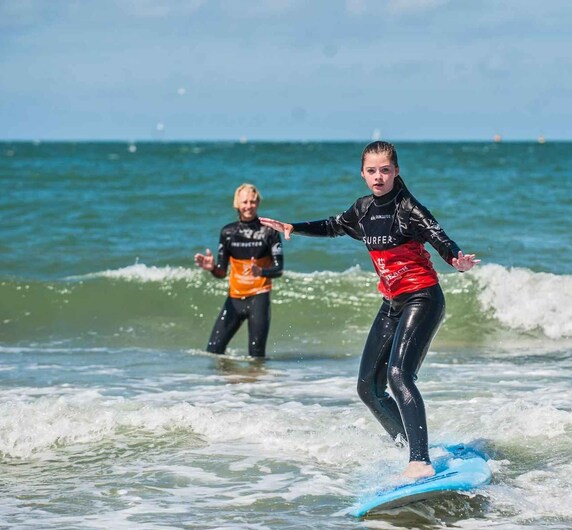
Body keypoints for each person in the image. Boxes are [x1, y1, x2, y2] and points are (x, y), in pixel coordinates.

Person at [260, 141, 478, 479]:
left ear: (396, 172)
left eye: (385, 170)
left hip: (423, 298)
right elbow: (334, 225)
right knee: (368, 388)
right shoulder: (362, 210)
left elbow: (439, 237)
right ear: (362, 174)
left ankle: (419, 461)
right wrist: (295, 227)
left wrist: (456, 259)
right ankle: (410, 447)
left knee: (398, 375)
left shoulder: (409, 209)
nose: (379, 177)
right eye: (372, 171)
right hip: (392, 303)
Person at [194, 183, 283, 358]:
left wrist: (262, 272)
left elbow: (278, 269)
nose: (249, 206)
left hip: (259, 296)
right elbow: (221, 272)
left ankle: (255, 385)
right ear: (237, 204)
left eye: (252, 201)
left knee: (256, 356)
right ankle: (228, 384)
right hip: (235, 298)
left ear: (258, 203)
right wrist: (212, 268)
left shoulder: (269, 232)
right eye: (245, 202)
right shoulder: (228, 232)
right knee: (213, 351)